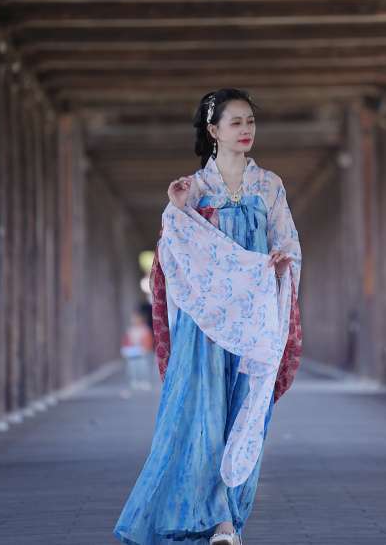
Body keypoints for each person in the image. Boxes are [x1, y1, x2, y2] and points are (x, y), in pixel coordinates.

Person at [113, 87, 303, 545]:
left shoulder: (269, 185)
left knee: (246, 415)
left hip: (253, 322)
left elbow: (288, 244)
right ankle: (212, 517)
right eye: (236, 122)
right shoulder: (194, 188)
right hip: (207, 328)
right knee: (201, 417)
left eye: (250, 121)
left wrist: (279, 264)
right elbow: (173, 252)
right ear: (213, 131)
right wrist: (177, 209)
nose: (246, 130)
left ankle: (228, 520)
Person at [121, 309, 155, 390]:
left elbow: (149, 339)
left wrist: (147, 348)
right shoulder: (130, 330)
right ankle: (135, 381)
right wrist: (124, 348)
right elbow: (126, 340)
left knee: (143, 367)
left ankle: (144, 381)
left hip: (143, 351)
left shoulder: (145, 329)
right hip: (132, 352)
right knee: (132, 367)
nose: (134, 320)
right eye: (133, 319)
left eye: (136, 318)